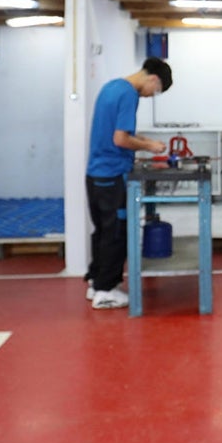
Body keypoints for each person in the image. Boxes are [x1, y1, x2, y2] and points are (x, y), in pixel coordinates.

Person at [85, 57, 173, 309]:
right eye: (154, 91)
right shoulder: (129, 95)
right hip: (112, 175)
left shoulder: (112, 86)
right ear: (153, 79)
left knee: (102, 231)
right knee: (116, 233)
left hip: (95, 175)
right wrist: (150, 147)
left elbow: (117, 133)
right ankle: (106, 291)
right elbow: (121, 139)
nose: (149, 96)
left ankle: (95, 282)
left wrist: (142, 139)